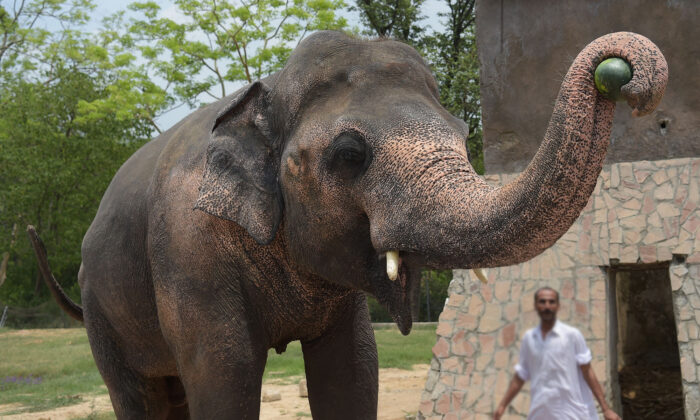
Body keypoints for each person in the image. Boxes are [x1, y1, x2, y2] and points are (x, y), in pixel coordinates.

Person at [493, 287, 621, 420]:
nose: (547, 306)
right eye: (542, 302)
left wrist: (606, 409)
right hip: (541, 413)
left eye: (551, 302)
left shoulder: (572, 336)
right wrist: (502, 406)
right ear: (535, 305)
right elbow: (520, 376)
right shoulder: (529, 338)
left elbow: (587, 371)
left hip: (572, 413)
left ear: (558, 306)